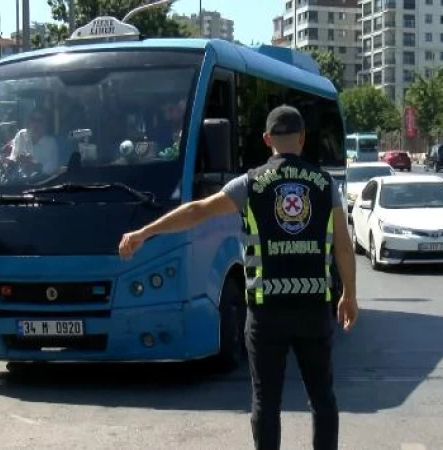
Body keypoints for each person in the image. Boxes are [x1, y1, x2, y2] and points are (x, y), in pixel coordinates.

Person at [118, 105, 358, 450]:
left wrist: (144, 232)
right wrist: (349, 294)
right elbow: (344, 248)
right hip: (313, 308)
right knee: (322, 398)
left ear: (266, 139)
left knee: (266, 403)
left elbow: (197, 211)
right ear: (303, 138)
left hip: (265, 312)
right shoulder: (326, 184)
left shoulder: (250, 183)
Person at [7, 107, 60, 175]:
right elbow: (13, 157)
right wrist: (15, 160)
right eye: (33, 120)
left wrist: (34, 166)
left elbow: (52, 167)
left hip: (40, 182)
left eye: (40, 121)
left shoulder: (51, 143)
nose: (36, 124)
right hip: (19, 181)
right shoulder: (21, 135)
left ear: (46, 124)